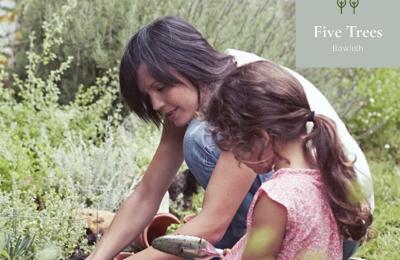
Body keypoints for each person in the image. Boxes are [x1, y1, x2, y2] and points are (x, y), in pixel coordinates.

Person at [86, 16, 374, 260]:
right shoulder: (191, 95)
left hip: (335, 227)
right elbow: (147, 192)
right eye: (148, 97)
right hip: (333, 224)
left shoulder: (241, 92)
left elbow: (212, 223)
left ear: (187, 65)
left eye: (161, 87)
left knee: (199, 139)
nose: (157, 104)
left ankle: (244, 245)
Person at [205, 61, 373, 259]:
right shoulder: (325, 173)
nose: (239, 161)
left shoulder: (276, 198)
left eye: (236, 149)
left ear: (261, 138)